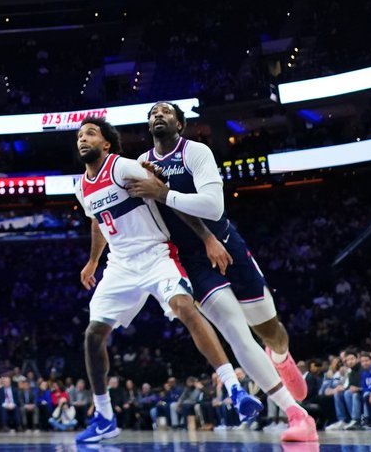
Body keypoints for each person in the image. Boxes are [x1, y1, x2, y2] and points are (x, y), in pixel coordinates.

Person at [124, 102, 317, 441]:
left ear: (179, 125)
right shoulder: (141, 166)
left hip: (227, 244)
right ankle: (296, 415)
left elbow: (214, 206)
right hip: (192, 261)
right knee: (234, 331)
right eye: (153, 113)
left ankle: (282, 356)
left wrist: (165, 193)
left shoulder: (195, 153)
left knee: (269, 329)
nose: (158, 116)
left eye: (165, 112)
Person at [72, 118, 265, 444]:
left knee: (184, 307)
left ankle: (234, 388)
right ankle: (104, 417)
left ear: (106, 144)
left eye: (90, 133)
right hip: (119, 266)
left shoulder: (123, 168)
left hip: (157, 255)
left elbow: (167, 196)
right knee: (93, 336)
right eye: (79, 135)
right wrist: (93, 260)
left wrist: (206, 237)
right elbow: (97, 222)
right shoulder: (81, 186)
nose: (82, 139)